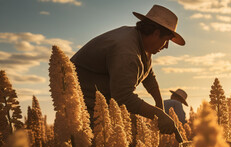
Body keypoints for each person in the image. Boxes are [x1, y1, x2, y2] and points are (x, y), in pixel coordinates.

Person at [70, 5, 185, 134]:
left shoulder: (142, 45)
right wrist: (158, 115)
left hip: (103, 103)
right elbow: (123, 97)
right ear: (156, 33)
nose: (166, 47)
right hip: (83, 104)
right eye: (166, 41)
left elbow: (149, 76)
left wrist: (160, 106)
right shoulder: (126, 51)